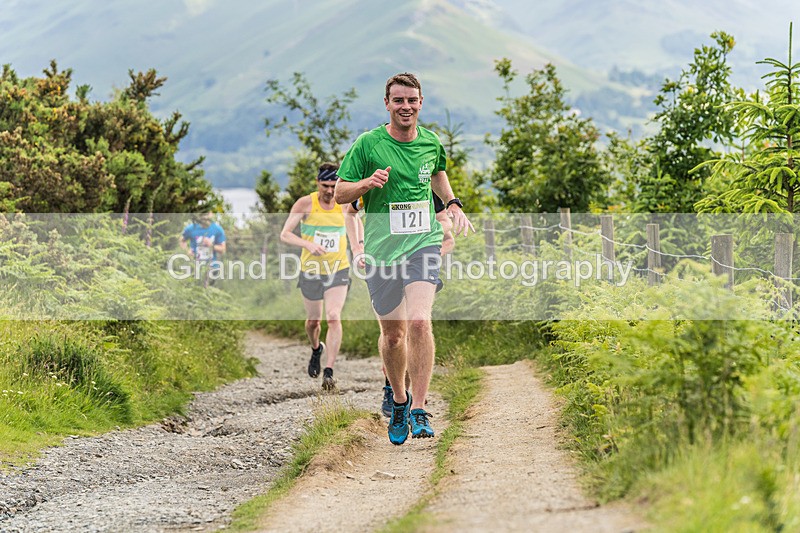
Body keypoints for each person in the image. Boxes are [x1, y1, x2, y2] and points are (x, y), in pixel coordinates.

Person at [335, 72, 472, 445]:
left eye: (412, 100)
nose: (406, 107)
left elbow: (437, 174)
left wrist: (453, 202)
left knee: (419, 323)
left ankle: (420, 409)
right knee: (393, 337)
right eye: (398, 101)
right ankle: (399, 399)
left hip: (423, 243)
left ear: (421, 102)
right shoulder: (367, 144)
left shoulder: (430, 142)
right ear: (387, 104)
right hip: (382, 251)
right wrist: (367, 184)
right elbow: (340, 195)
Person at [347, 193, 454, 418]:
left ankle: (411, 396)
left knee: (416, 326)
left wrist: (427, 244)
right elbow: (350, 212)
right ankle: (393, 387)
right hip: (382, 264)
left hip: (417, 265)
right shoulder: (374, 189)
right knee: (394, 336)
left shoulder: (424, 189)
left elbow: (447, 232)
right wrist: (357, 249)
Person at [280, 162, 357, 391]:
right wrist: (308, 244)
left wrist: (359, 247)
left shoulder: (344, 204)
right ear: (318, 183)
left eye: (334, 185)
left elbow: (356, 224)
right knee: (314, 321)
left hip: (338, 268)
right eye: (325, 185)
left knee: (333, 317)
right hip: (311, 270)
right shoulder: (306, 203)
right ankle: (316, 348)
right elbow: (285, 234)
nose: (330, 191)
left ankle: (329, 371)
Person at [180, 211, 227, 287]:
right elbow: (182, 240)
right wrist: (187, 251)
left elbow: (223, 249)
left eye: (207, 214)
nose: (205, 217)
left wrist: (211, 245)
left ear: (211, 214)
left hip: (212, 267)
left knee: (208, 293)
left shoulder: (217, 229)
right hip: (194, 266)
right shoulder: (191, 228)